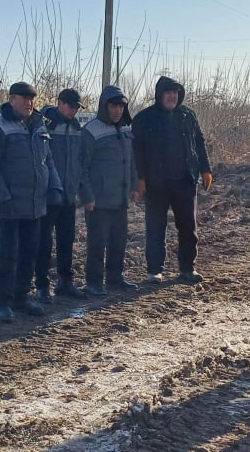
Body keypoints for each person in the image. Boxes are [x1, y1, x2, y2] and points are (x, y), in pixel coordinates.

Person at [0, 81, 62, 322]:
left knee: (29, 252)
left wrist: (54, 187)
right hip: (10, 205)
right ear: (11, 99)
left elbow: (48, 161)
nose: (29, 103)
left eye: (31, 99)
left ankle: (21, 297)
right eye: (23, 98)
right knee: (8, 254)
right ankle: (3, 301)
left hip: (35, 203)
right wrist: (2, 196)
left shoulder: (39, 127)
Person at [132, 76, 213, 284]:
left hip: (185, 181)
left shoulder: (188, 116)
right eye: (168, 93)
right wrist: (139, 178)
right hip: (155, 183)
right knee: (155, 228)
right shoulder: (143, 118)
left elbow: (199, 142)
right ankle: (154, 271)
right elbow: (136, 152)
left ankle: (188, 268)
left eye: (175, 93)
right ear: (159, 95)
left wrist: (205, 169)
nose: (172, 97)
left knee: (188, 227)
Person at [79, 86, 140, 296]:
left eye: (121, 106)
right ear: (105, 107)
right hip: (98, 200)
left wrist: (133, 187)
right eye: (114, 106)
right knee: (97, 243)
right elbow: (82, 167)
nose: (117, 111)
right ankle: (94, 282)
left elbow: (131, 161)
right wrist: (87, 196)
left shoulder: (125, 129)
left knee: (119, 241)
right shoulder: (91, 130)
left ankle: (115, 278)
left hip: (120, 198)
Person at [36, 88, 86, 301]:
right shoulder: (44, 124)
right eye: (71, 106)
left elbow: (80, 162)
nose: (74, 110)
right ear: (60, 103)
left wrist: (80, 189)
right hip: (48, 195)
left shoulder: (76, 128)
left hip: (69, 195)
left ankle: (66, 281)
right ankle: (41, 286)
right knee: (44, 243)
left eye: (77, 107)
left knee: (67, 239)